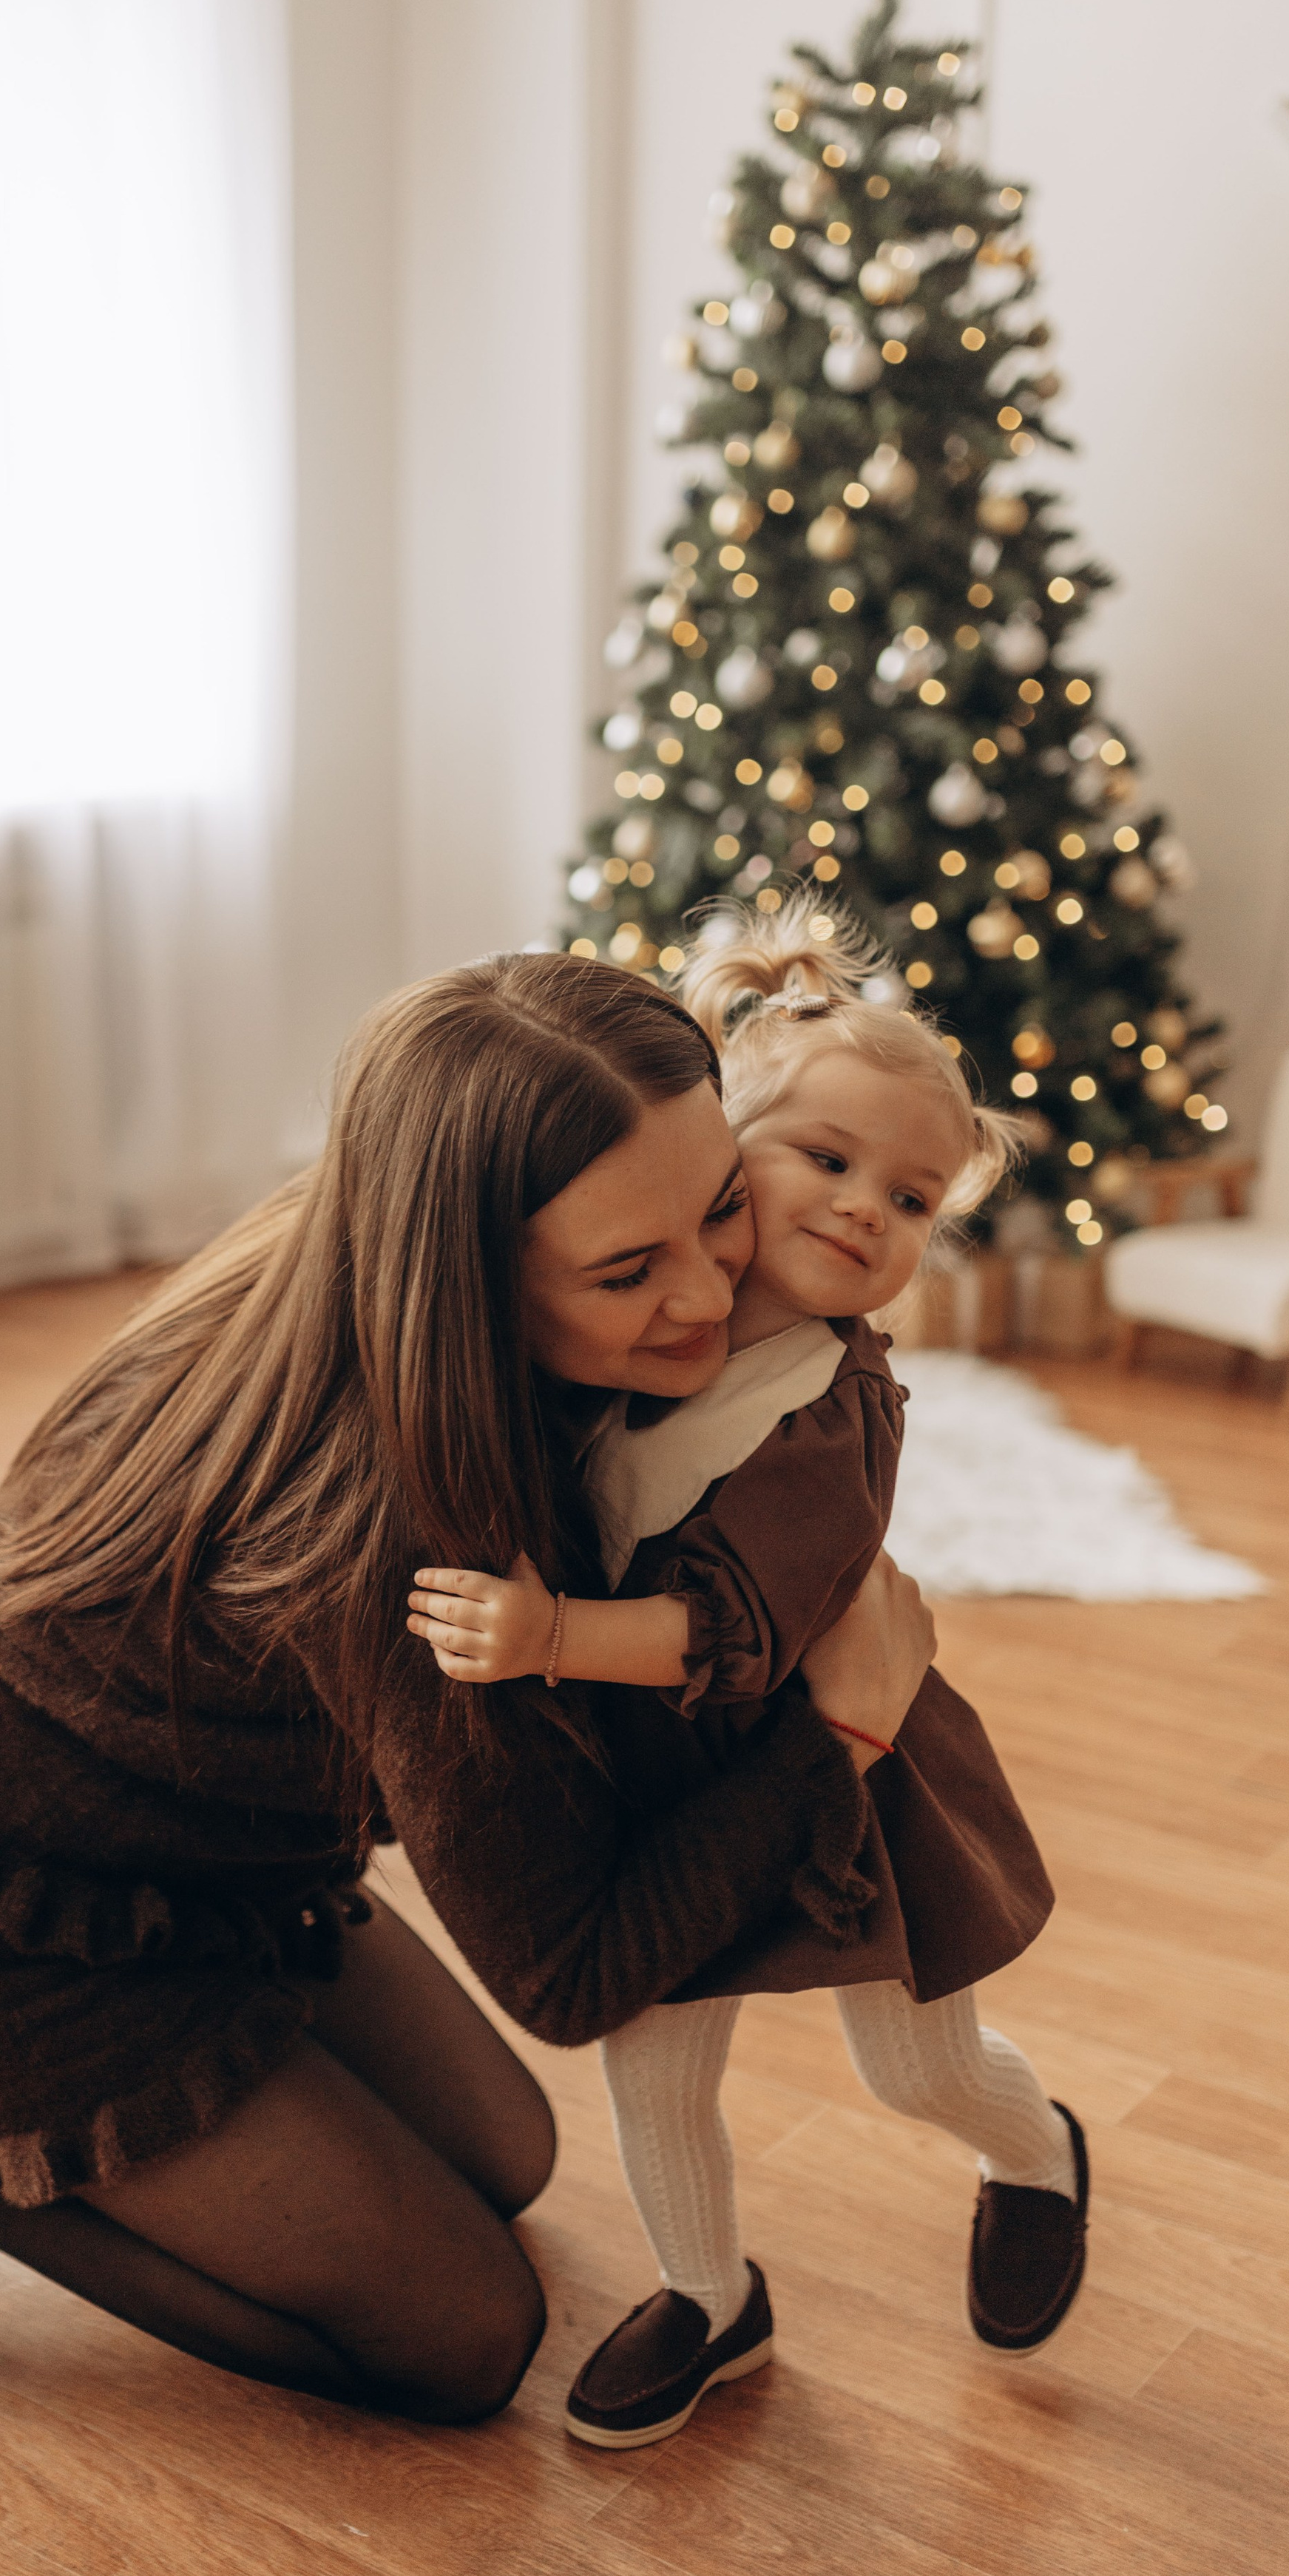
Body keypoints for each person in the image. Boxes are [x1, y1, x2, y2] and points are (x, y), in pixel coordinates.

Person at [0, 951, 935, 2425]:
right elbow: (572, 1971)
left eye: (718, 1202)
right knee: (464, 2341)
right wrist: (838, 1737)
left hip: (171, 1853)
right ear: (468, 1272)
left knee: (508, 2160)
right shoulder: (408, 1544)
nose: (709, 1288)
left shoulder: (359, 1246)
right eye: (625, 1270)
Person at [407, 899, 1085, 2450]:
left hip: (840, 1783)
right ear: (724, 1165)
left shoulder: (829, 1413)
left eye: (909, 1196)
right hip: (663, 1792)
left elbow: (732, 1631)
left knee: (917, 2065)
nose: (864, 1210)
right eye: (825, 1161)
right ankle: (707, 2298)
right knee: (653, 2073)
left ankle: (1034, 2153)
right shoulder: (645, 1329)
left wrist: (548, 1641)